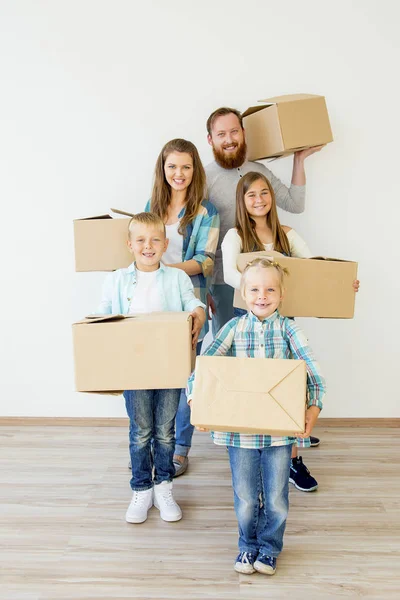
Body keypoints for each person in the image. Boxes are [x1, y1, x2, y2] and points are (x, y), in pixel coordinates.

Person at [221, 171, 359, 491]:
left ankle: (293, 461)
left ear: (272, 197)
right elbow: (231, 276)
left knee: (290, 389)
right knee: (257, 389)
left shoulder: (288, 234)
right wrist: (261, 288)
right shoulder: (235, 236)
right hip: (251, 327)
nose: (259, 200)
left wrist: (342, 286)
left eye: (264, 193)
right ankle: (257, 457)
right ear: (242, 202)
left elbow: (314, 272)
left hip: (285, 324)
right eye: (251, 195)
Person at [187, 258, 326, 575]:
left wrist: (313, 409)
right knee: (246, 497)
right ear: (243, 293)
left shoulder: (290, 330)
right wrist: (198, 401)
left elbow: (315, 375)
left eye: (269, 289)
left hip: (279, 434)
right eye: (254, 289)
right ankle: (247, 546)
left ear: (281, 294)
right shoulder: (233, 328)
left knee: (276, 498)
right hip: (240, 434)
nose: (262, 296)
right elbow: (204, 369)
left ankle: (269, 549)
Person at [96, 212, 206, 524]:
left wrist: (198, 312)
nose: (148, 246)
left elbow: (191, 303)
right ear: (129, 244)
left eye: (155, 240)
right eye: (141, 240)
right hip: (134, 369)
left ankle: (164, 486)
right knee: (141, 430)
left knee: (165, 431)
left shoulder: (177, 278)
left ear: (165, 244)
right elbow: (101, 316)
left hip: (170, 367)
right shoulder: (116, 280)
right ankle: (141, 488)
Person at [205, 106, 324, 336]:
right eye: (221, 134)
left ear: (243, 132)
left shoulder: (260, 173)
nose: (229, 140)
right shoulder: (203, 178)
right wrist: (203, 290)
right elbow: (195, 233)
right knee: (230, 349)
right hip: (223, 281)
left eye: (234, 132)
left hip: (270, 284)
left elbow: (295, 204)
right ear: (210, 140)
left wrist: (298, 160)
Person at [145, 139, 219, 477]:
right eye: (172, 166)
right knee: (154, 374)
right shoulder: (152, 206)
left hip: (190, 300)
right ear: (163, 168)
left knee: (188, 375)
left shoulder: (206, 211)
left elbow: (205, 261)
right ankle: (154, 443)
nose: (179, 173)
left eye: (186, 167)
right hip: (152, 302)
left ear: (195, 170)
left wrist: (163, 269)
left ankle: (180, 450)